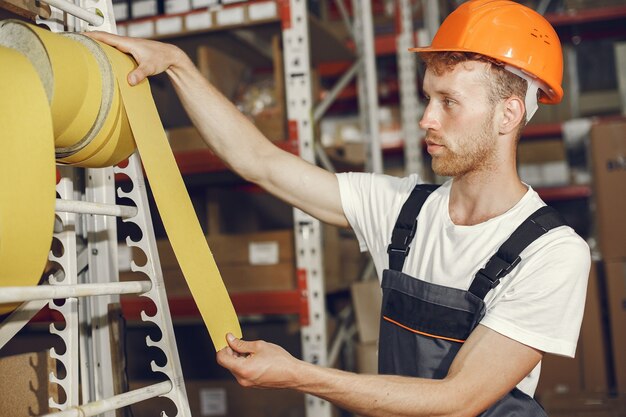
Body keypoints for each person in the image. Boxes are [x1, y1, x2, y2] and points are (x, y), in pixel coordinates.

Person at [88, 0, 590, 415]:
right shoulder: (404, 213)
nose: (425, 119)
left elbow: (458, 401)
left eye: (448, 102)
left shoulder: (551, 254)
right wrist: (178, 65)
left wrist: (297, 375)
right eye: (426, 98)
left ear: (509, 113)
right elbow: (259, 161)